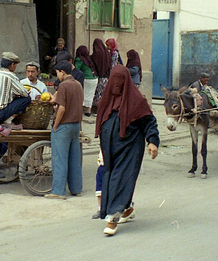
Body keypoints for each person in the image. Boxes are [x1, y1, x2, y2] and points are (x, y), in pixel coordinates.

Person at [95, 65, 159, 236]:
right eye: (113, 79)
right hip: (109, 149)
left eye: (120, 80)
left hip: (130, 147)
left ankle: (112, 219)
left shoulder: (136, 100)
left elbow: (149, 121)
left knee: (121, 178)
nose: (116, 84)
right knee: (111, 178)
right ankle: (127, 209)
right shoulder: (106, 99)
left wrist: (152, 141)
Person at [45, 61, 84, 200]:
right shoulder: (78, 84)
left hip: (64, 126)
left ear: (62, 72)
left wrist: (55, 125)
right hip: (76, 125)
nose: (57, 75)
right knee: (74, 158)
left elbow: (61, 108)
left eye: (57, 73)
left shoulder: (64, 85)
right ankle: (76, 188)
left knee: (59, 159)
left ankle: (58, 191)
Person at [0, 52, 31, 124]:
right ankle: (8, 119)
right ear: (12, 65)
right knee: (26, 99)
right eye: (15, 65)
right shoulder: (10, 76)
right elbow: (24, 93)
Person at [74, 45, 98, 117]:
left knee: (83, 94)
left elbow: (76, 69)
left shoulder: (79, 59)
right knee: (90, 95)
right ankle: (88, 110)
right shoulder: (89, 59)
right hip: (94, 78)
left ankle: (79, 110)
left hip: (87, 79)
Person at [91, 39, 111, 109]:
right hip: (106, 77)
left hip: (98, 77)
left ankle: (97, 109)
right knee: (103, 94)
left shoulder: (97, 53)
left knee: (97, 94)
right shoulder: (107, 54)